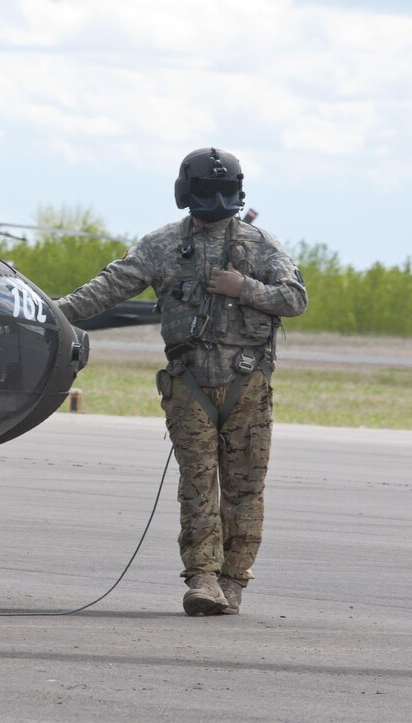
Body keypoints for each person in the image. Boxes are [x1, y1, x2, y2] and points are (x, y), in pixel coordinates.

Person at [55, 147, 308, 616]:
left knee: (244, 488)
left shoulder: (260, 245)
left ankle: (232, 583)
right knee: (197, 484)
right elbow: (105, 290)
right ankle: (204, 578)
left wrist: (243, 288)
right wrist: (48, 312)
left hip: (247, 385)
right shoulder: (161, 246)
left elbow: (294, 298)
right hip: (190, 384)